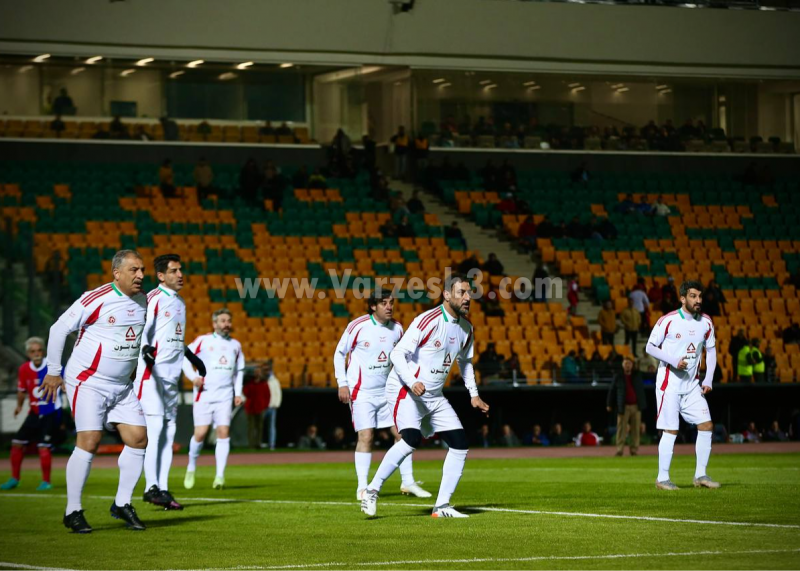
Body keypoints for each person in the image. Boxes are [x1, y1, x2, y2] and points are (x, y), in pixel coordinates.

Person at [360, 274, 490, 518]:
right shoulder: (428, 320)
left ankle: (441, 507)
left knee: (460, 444)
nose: (468, 297)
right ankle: (371, 490)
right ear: (447, 295)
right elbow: (397, 354)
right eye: (462, 292)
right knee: (410, 439)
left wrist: (474, 395)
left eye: (469, 293)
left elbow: (466, 363)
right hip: (404, 388)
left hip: (434, 395)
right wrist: (413, 381)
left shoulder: (466, 328)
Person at [41, 250, 149, 533]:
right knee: (89, 440)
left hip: (122, 386)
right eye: (134, 270)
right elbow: (58, 329)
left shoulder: (143, 300)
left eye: (142, 270)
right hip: (89, 381)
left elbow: (132, 337)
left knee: (138, 439)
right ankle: (72, 511)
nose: (140, 275)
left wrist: (131, 366)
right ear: (117, 273)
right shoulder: (96, 298)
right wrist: (54, 371)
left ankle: (122, 504)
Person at [333, 289, 430, 500]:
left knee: (402, 435)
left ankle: (407, 481)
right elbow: (340, 353)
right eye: (384, 303)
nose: (389, 307)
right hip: (362, 392)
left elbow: (404, 357)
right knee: (366, 436)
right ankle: (362, 487)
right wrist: (342, 383)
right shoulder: (358, 326)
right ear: (372, 306)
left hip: (388, 392)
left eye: (391, 302)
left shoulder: (397, 328)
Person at [134, 254, 201, 511]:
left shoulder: (180, 302)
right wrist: (146, 352)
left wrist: (189, 358)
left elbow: (173, 339)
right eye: (174, 271)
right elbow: (144, 332)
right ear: (161, 276)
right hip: (153, 375)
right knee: (155, 431)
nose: (180, 274)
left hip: (171, 377)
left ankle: (161, 487)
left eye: (181, 270)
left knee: (170, 432)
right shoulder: (153, 299)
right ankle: (151, 486)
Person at [646, 280, 719, 490]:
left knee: (706, 425)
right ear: (683, 298)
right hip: (669, 383)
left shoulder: (706, 322)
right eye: (693, 296)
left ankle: (701, 476)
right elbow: (650, 347)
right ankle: (662, 478)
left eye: (700, 296)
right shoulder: (668, 321)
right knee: (670, 430)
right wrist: (673, 360)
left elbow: (711, 350)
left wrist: (708, 378)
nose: (698, 300)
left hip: (692, 385)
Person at [183, 309, 245, 491]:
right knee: (201, 433)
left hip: (225, 395)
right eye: (223, 321)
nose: (227, 324)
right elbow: (184, 358)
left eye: (229, 320)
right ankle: (191, 467)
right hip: (204, 393)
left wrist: (238, 393)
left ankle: (219, 476)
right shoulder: (203, 340)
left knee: (223, 432)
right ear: (214, 324)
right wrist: (192, 377)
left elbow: (238, 371)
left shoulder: (236, 345)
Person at [1, 337, 61, 492]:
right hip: (34, 412)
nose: (37, 353)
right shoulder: (24, 369)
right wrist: (19, 407)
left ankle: (46, 481)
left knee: (43, 447)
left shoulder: (51, 366)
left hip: (50, 412)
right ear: (28, 353)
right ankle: (14, 478)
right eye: (33, 351)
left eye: (39, 350)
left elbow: (64, 381)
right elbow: (22, 391)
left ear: (44, 351)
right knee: (16, 443)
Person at [607, 357, 647, 456]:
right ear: (622, 365)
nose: (627, 365)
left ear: (632, 365)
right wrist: (609, 404)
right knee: (621, 429)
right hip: (623, 406)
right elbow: (612, 390)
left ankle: (634, 449)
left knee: (635, 429)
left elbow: (641, 391)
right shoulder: (618, 376)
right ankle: (619, 449)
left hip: (636, 406)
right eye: (625, 363)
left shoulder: (637, 375)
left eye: (629, 363)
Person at [244, 371, 270, 449]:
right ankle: (251, 444)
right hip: (251, 408)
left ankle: (258, 443)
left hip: (260, 408)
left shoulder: (264, 384)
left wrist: (265, 405)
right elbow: (246, 392)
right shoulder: (250, 383)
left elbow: (267, 395)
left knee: (259, 427)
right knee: (251, 427)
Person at [261, 361, 282, 450]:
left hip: (272, 407)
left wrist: (277, 404)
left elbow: (278, 393)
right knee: (259, 426)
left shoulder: (274, 381)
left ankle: (272, 444)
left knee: (271, 427)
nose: (267, 371)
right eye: (265, 370)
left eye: (268, 370)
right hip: (263, 407)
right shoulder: (262, 380)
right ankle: (259, 443)